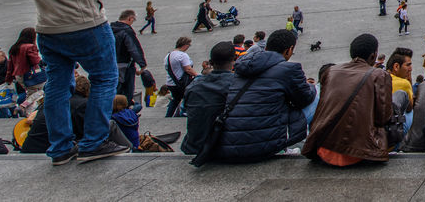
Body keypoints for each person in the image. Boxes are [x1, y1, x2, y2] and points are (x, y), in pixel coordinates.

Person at [17, 0, 126, 164]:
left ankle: (60, 148)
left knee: (56, 86)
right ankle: (94, 142)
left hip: (48, 30)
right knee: (104, 79)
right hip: (85, 26)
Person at [213, 29, 316, 162]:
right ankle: (315, 145)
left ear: (266, 47)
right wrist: (312, 87)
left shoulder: (242, 65)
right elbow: (305, 98)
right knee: (317, 94)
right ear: (289, 50)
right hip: (264, 147)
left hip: (229, 143)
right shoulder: (289, 69)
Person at [303, 34, 393, 166]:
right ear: (373, 56)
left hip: (323, 148)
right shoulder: (379, 75)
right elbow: (383, 118)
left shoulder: (330, 71)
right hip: (360, 153)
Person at [111, 10, 147, 102]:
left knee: (114, 89)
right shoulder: (126, 30)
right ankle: (124, 111)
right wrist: (142, 64)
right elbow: (133, 48)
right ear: (130, 18)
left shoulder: (110, 28)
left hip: (111, 64)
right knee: (127, 91)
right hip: (125, 64)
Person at [164, 37, 198, 117]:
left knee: (176, 99)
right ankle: (183, 114)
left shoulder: (168, 55)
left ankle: (168, 116)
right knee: (188, 97)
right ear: (185, 45)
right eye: (189, 45)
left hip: (170, 82)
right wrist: (198, 75)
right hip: (181, 82)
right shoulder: (182, 55)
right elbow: (188, 69)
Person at [7, 27, 43, 93]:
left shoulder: (14, 47)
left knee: (29, 92)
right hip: (30, 74)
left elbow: (10, 65)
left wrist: (8, 79)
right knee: (38, 93)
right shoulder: (30, 46)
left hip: (18, 75)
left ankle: (26, 103)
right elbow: (35, 61)